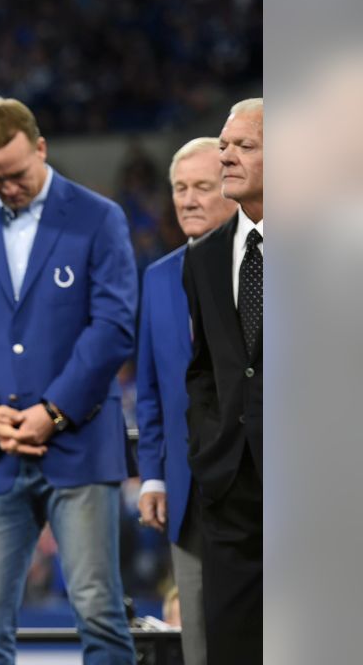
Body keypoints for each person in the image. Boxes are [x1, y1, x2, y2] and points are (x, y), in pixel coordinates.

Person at [0, 98, 138, 663]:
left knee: (100, 614)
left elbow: (115, 327)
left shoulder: (99, 218)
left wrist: (54, 410)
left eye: (18, 174)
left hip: (79, 443)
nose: (8, 187)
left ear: (41, 148)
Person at [135, 136, 236, 665]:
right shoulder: (157, 277)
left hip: (255, 485)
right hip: (187, 492)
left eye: (202, 186)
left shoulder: (265, 266)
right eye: (179, 188)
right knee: (196, 635)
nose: (188, 199)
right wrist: (153, 474)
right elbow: (149, 390)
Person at [181, 98, 263, 665]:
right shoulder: (204, 257)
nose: (226, 156)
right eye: (224, 144)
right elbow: (204, 369)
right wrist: (207, 447)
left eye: (245, 147)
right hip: (231, 488)